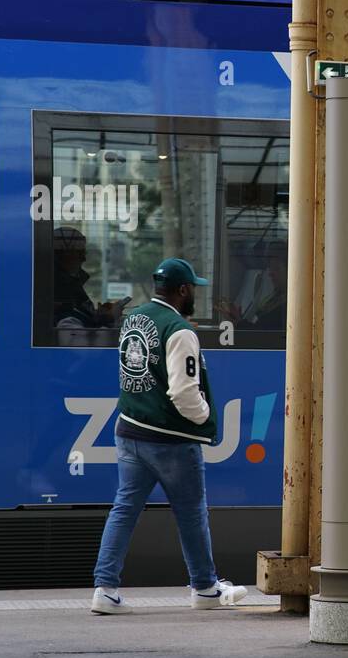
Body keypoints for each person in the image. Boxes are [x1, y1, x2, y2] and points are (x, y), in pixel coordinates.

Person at [90, 257, 246, 614]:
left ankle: (105, 588)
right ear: (183, 290)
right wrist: (205, 417)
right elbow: (183, 392)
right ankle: (205, 587)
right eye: (194, 290)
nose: (195, 297)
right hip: (170, 439)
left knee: (124, 508)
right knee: (191, 513)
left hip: (128, 428)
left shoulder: (135, 319)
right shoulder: (179, 330)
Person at [53, 226, 128, 329]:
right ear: (63, 254)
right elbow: (81, 339)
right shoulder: (57, 289)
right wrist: (110, 318)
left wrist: (100, 315)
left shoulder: (71, 285)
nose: (83, 259)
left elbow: (84, 318)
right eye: (79, 253)